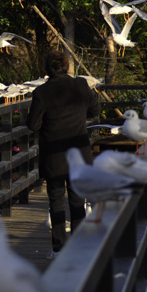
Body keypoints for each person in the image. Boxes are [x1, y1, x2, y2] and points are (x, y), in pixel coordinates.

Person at [26, 50, 100, 257]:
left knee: (56, 199)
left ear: (48, 69)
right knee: (78, 200)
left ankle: (58, 247)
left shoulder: (42, 92)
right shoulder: (81, 85)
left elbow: (33, 125)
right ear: (67, 67)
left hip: (54, 157)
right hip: (79, 153)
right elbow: (95, 111)